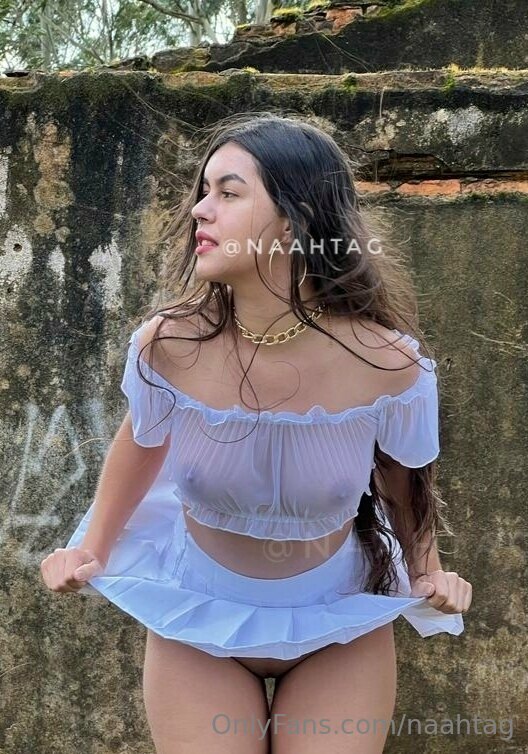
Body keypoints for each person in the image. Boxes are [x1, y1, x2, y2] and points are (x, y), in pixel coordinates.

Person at [40, 111, 472, 754]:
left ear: (295, 222)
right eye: (203, 191)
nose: (200, 210)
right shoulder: (169, 345)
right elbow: (142, 443)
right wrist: (89, 548)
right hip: (197, 620)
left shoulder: (389, 365)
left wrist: (428, 572)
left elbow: (405, 482)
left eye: (228, 192)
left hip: (338, 627)